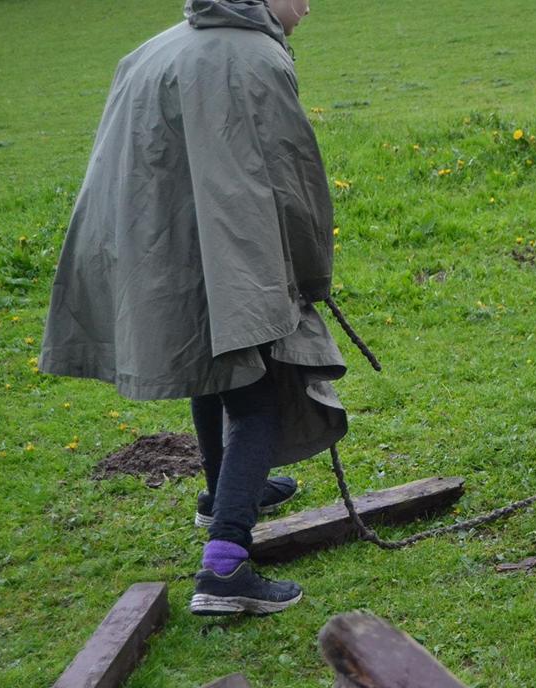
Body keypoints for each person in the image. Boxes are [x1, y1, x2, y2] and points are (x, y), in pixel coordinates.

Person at [39, 0, 346, 616]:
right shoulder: (255, 57)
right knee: (258, 392)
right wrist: (312, 272)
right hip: (225, 253)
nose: (309, 5)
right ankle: (226, 565)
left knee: (217, 368)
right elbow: (293, 180)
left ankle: (225, 491)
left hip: (161, 253)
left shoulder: (159, 46)